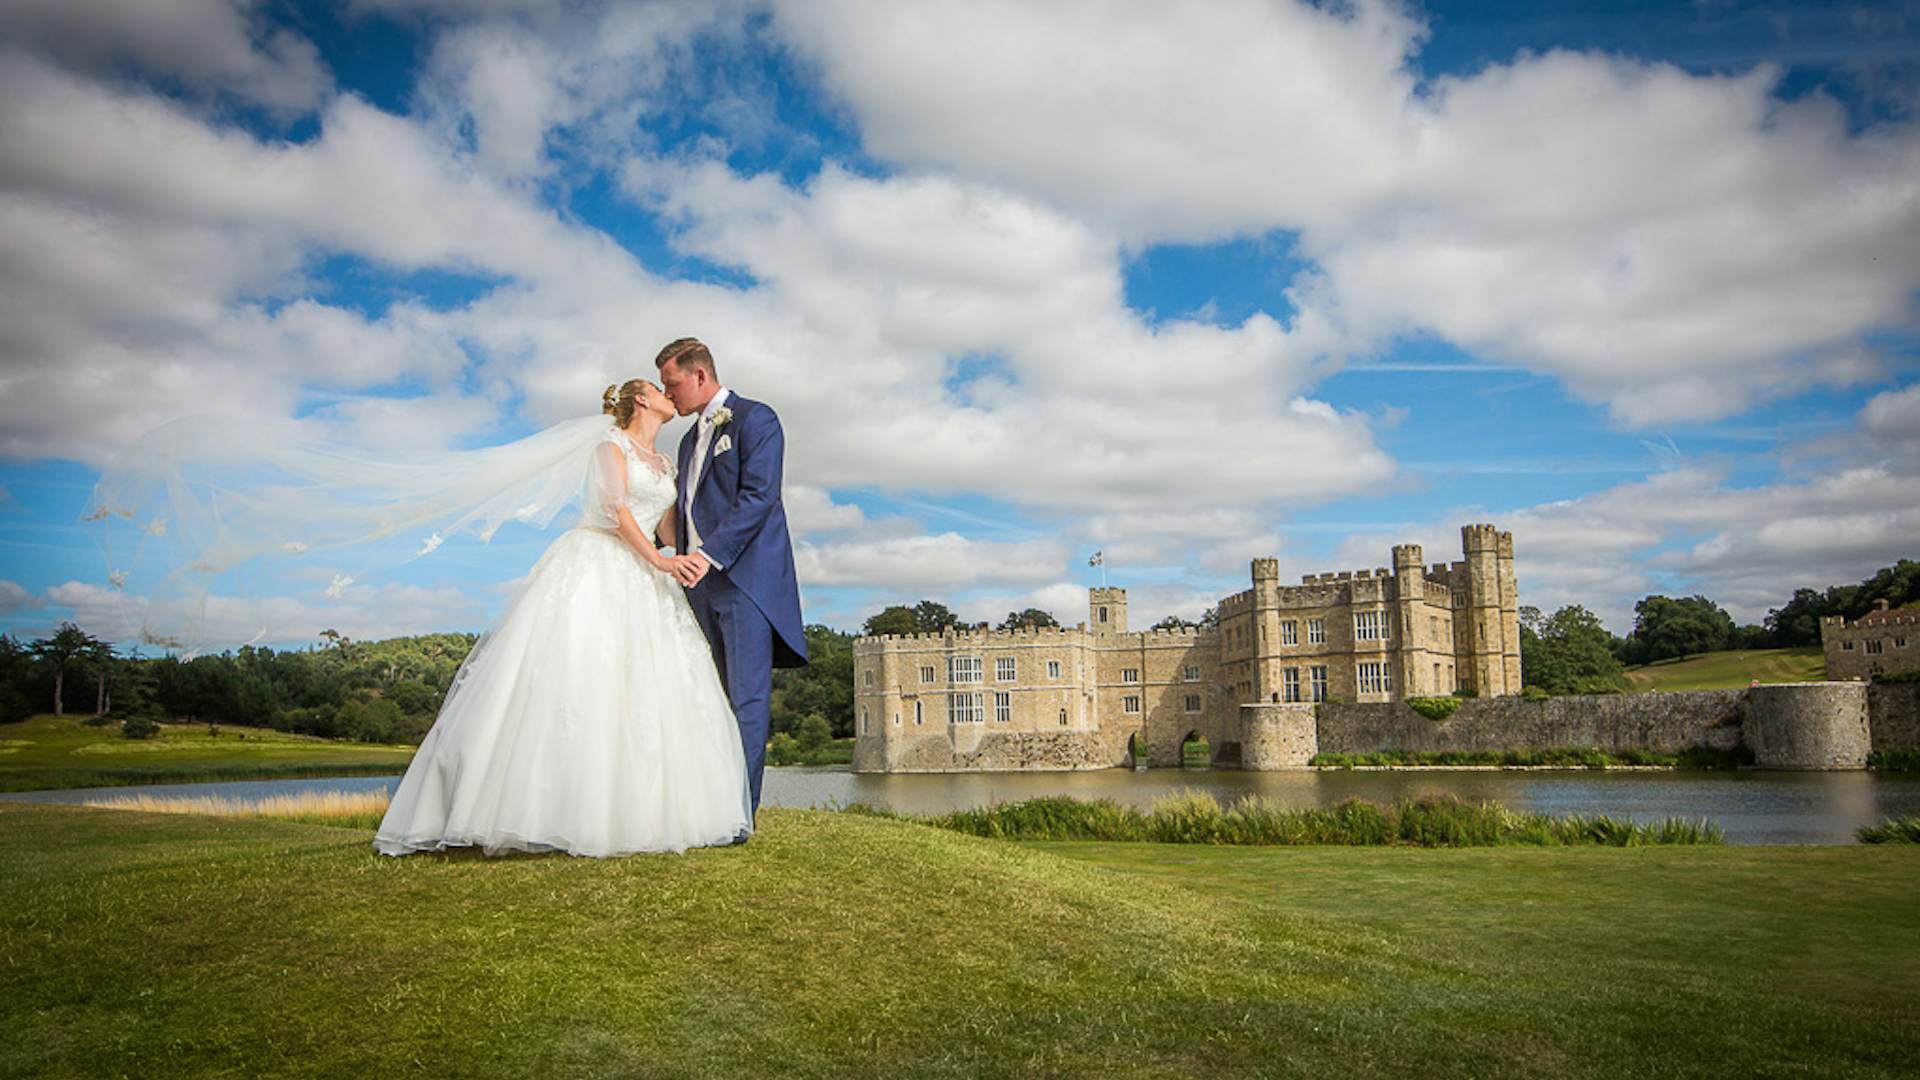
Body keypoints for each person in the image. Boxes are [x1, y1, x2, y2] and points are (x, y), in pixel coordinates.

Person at [370, 379, 752, 856]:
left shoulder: (665, 463)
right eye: (659, 390)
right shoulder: (609, 447)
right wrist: (657, 560)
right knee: (574, 675)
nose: (668, 397)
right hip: (599, 562)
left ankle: (640, 814)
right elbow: (616, 510)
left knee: (649, 687)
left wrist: (686, 558)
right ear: (640, 399)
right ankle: (535, 811)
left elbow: (666, 524)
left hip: (647, 579)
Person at [655, 338, 809, 821]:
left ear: (699, 376)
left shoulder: (756, 419)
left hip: (744, 580)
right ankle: (708, 800)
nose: (669, 394)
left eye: (673, 383)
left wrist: (708, 555)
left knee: (745, 698)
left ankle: (739, 812)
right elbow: (686, 509)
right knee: (708, 695)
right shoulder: (685, 439)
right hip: (696, 584)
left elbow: (759, 498)